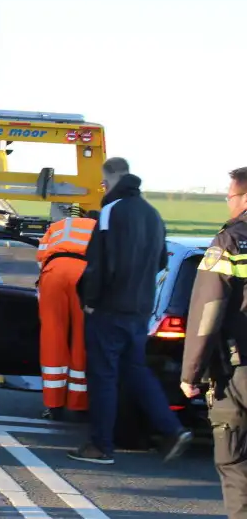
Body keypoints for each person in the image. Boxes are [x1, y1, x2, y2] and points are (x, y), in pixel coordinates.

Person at [69, 157, 192, 465]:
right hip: (141, 308)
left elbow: (98, 262)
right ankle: (172, 429)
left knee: (103, 376)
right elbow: (162, 261)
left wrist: (90, 299)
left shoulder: (111, 211)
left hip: (109, 307)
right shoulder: (153, 214)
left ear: (108, 179)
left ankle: (101, 446)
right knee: (136, 370)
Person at [180, 167, 247, 517]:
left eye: (230, 196)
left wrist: (191, 372)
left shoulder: (231, 241)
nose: (227, 201)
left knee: (235, 464)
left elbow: (208, 311)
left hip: (240, 372)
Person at [36, 208, 97, 421]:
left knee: (53, 336)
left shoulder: (60, 226)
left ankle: (53, 405)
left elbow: (40, 257)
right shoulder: (102, 228)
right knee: (82, 337)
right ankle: (79, 403)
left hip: (54, 271)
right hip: (85, 274)